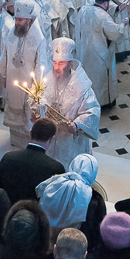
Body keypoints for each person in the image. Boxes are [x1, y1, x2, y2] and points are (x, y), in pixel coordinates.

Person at [0, 0, 52, 148]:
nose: (17, 22)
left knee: (28, 113)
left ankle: (28, 143)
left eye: (21, 20)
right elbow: (6, 55)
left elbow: (41, 64)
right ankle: (16, 140)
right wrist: (4, 74)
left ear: (30, 20)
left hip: (29, 84)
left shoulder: (39, 39)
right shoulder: (12, 33)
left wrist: (36, 90)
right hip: (13, 81)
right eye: (16, 19)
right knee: (14, 111)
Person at [39, 39, 100, 168]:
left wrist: (77, 125)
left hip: (70, 141)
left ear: (70, 64)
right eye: (54, 63)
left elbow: (92, 111)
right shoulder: (47, 80)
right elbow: (40, 103)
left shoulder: (81, 85)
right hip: (51, 136)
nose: (56, 68)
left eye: (61, 63)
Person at [0, 118, 65, 204]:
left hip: (8, 212)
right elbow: (55, 203)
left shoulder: (8, 158)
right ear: (51, 139)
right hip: (36, 215)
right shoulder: (56, 169)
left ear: (30, 133)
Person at [73, 0, 122, 106]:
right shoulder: (103, 15)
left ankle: (86, 103)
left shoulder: (83, 9)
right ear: (106, 3)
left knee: (86, 78)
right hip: (98, 55)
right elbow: (115, 34)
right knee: (99, 80)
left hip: (82, 52)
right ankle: (102, 103)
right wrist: (122, 26)